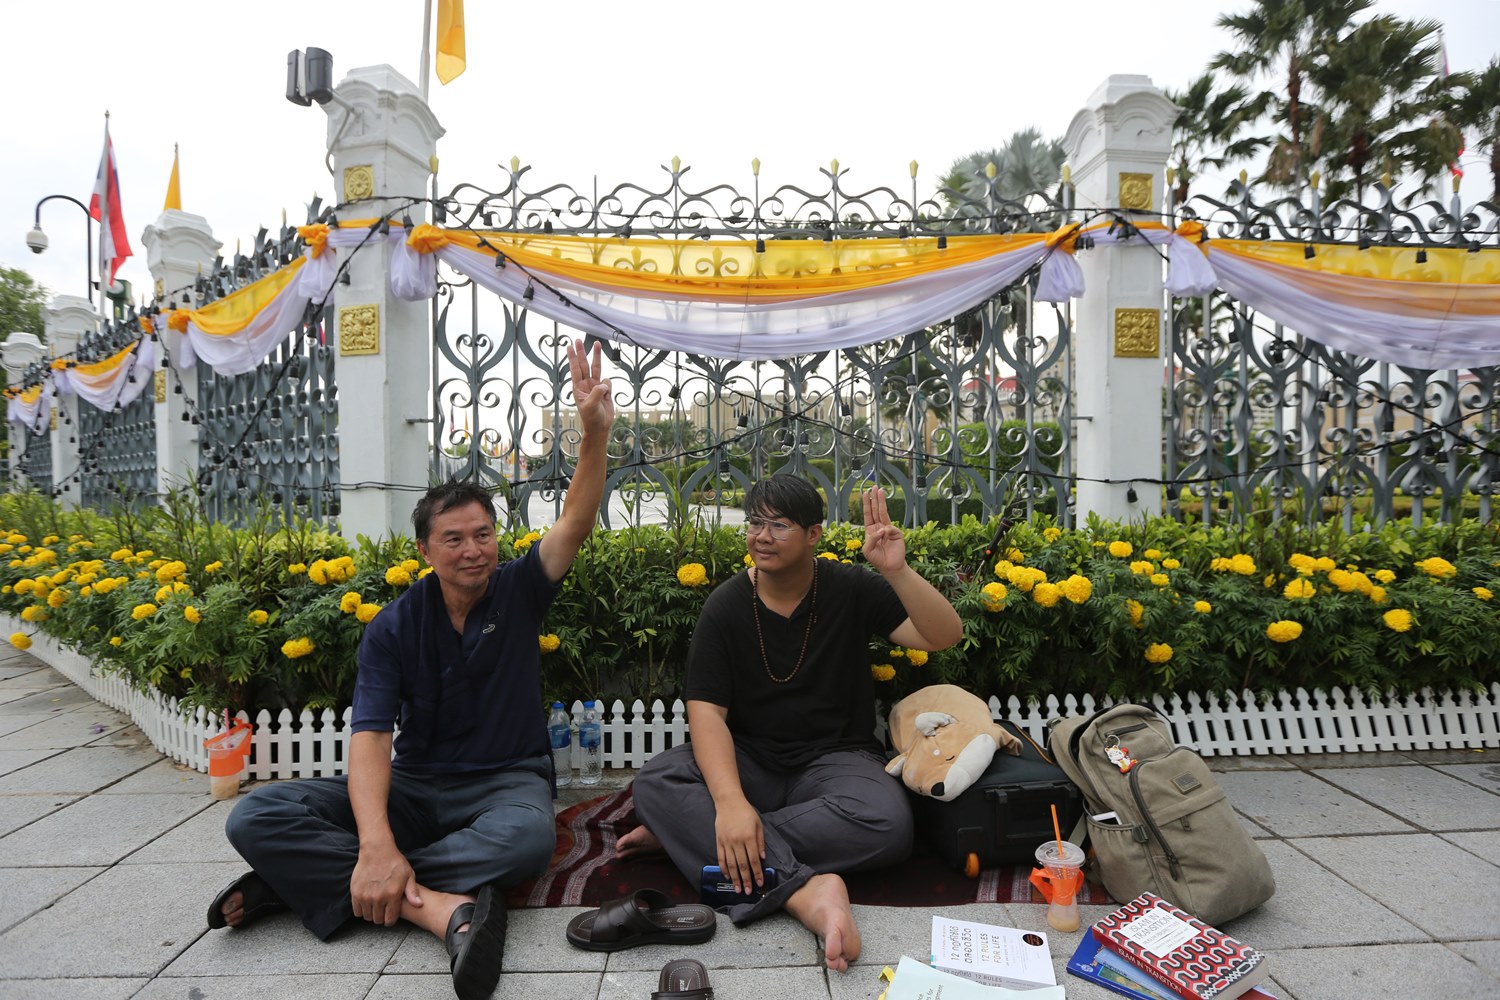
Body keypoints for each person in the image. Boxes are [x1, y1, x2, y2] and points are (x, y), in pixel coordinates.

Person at [209, 340, 612, 1000]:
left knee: (528, 841)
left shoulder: (520, 589)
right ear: (425, 549)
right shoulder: (393, 626)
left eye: (482, 534)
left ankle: (306, 885)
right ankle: (426, 902)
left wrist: (593, 433)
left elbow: (575, 518)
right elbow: (370, 738)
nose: (473, 550)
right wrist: (374, 841)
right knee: (254, 817)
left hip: (506, 783)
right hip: (417, 788)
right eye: (454, 539)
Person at [616, 475, 964, 973]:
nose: (762, 536)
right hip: (750, 761)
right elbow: (706, 713)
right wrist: (730, 802)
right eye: (755, 523)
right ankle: (806, 893)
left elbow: (942, 635)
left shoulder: (850, 587)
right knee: (657, 779)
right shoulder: (726, 605)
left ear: (813, 534)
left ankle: (692, 837)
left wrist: (897, 571)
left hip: (837, 759)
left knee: (887, 823)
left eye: (779, 525)